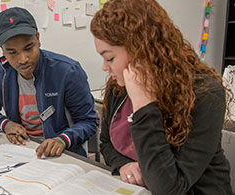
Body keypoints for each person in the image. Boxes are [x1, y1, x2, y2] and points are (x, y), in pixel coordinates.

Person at [90, 0, 232, 194]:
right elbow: (106, 143)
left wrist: (143, 104)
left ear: (139, 50)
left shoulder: (205, 93)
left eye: (110, 58)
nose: (105, 67)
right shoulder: (118, 86)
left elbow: (171, 188)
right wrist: (123, 164)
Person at [0, 7, 97, 158]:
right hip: (22, 151)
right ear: (2, 50)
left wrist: (63, 139)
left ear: (38, 39)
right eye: (12, 52)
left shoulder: (67, 71)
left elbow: (88, 121)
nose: (23, 59)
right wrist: (5, 124)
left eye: (29, 48)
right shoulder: (1, 70)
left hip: (63, 154)